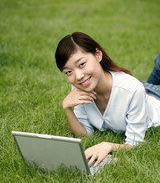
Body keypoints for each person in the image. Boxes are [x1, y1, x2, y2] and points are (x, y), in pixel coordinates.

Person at [55, 32, 160, 167]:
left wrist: (107, 146)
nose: (79, 76)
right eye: (68, 72)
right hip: (135, 90)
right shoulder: (81, 87)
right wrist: (67, 108)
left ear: (98, 55)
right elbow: (84, 134)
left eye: (81, 64)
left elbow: (135, 143)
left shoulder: (132, 90)